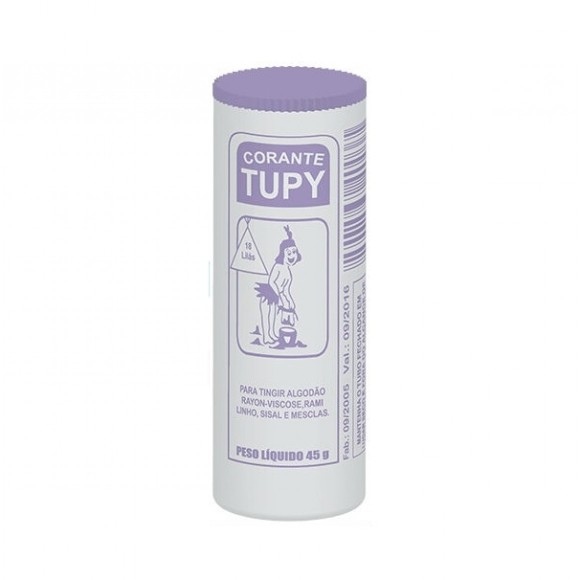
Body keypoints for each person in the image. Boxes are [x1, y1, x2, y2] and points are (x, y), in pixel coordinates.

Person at [255, 225, 301, 344]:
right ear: (283, 254)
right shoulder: (278, 266)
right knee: (267, 315)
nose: (292, 256)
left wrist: (290, 302)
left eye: (294, 252)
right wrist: (280, 297)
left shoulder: (288, 272)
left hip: (276, 296)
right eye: (289, 253)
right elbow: (271, 281)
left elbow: (286, 290)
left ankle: (271, 333)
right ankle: (266, 336)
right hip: (268, 294)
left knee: (273, 315)